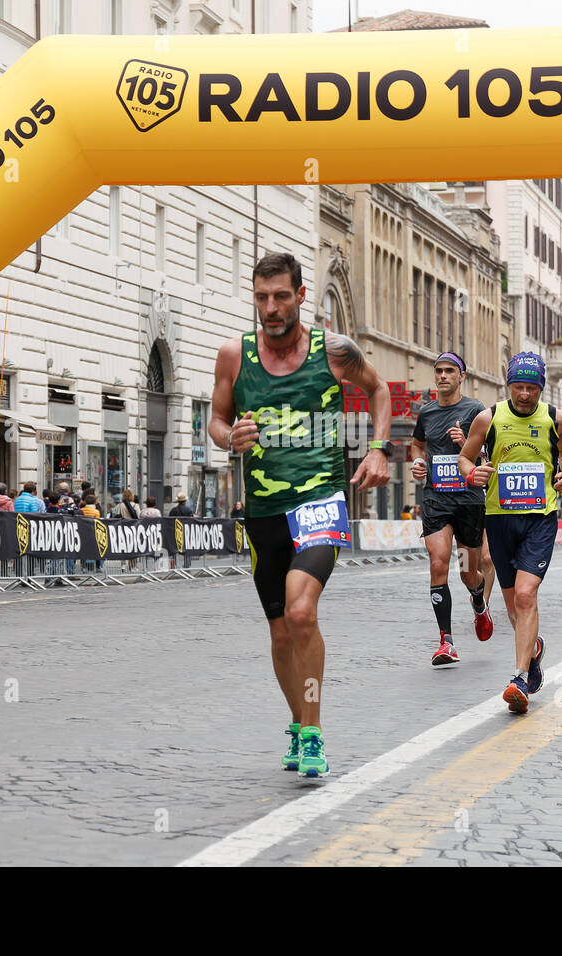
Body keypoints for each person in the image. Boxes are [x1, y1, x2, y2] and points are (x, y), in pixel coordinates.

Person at [209, 251, 390, 777]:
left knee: (301, 611)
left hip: (320, 503)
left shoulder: (334, 352)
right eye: (261, 297)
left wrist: (378, 448)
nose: (271, 307)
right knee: (281, 632)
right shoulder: (233, 357)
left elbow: (378, 389)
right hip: (264, 508)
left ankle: (312, 732)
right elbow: (217, 421)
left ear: (301, 295)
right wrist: (231, 437)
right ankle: (298, 719)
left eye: (281, 296)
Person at [458, 351, 562, 714]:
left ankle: (520, 677)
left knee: (526, 596)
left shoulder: (556, 418)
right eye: (518, 387)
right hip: (499, 518)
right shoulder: (488, 418)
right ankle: (534, 648)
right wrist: (470, 472)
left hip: (540, 517)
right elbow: (466, 457)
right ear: (508, 385)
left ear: (541, 388)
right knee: (513, 606)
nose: (524, 395)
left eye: (531, 388)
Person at [408, 351, 496, 665]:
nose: (443, 376)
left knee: (468, 573)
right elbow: (417, 444)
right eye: (439, 371)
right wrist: (418, 462)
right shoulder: (427, 412)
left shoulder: (476, 411)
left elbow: (489, 457)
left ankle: (478, 602)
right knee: (437, 563)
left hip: (469, 501)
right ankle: (446, 642)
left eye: (449, 371)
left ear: (461, 376)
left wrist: (465, 445)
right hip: (436, 500)